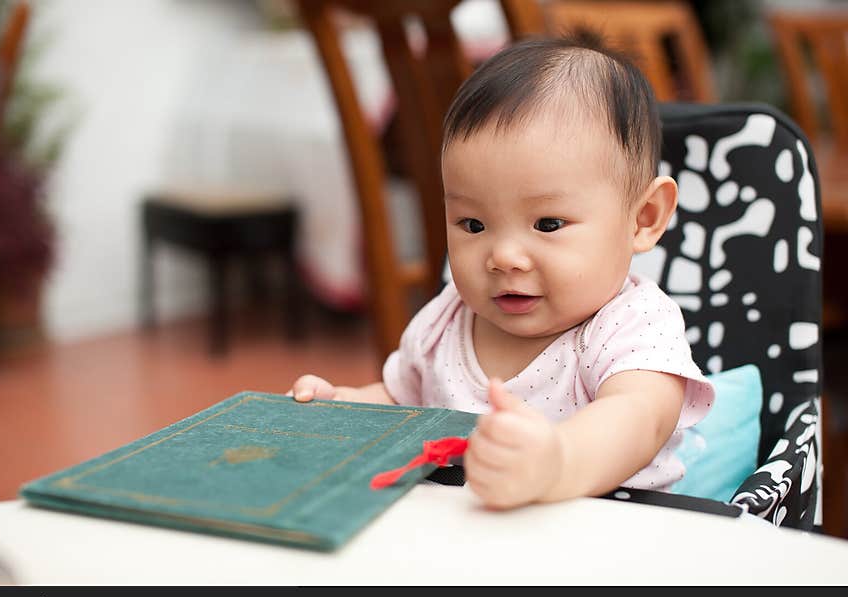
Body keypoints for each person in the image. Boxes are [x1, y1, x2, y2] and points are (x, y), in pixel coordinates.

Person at [289, 34, 714, 510]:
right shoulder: (445, 321)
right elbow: (398, 400)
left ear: (644, 218)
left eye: (547, 224)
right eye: (474, 224)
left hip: (609, 542)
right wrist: (342, 410)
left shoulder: (630, 327)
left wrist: (557, 461)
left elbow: (638, 418)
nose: (504, 257)